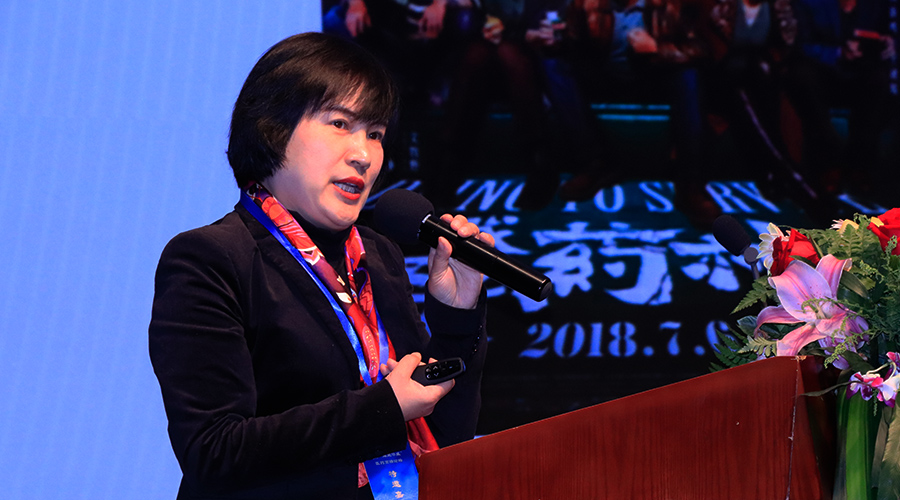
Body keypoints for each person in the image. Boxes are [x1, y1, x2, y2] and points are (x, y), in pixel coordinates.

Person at [148, 32, 492, 499]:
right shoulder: (210, 259)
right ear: (273, 127)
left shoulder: (378, 256)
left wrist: (456, 320)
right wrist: (383, 407)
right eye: (340, 123)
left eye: (375, 134)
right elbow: (215, 452)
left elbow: (443, 437)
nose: (363, 154)